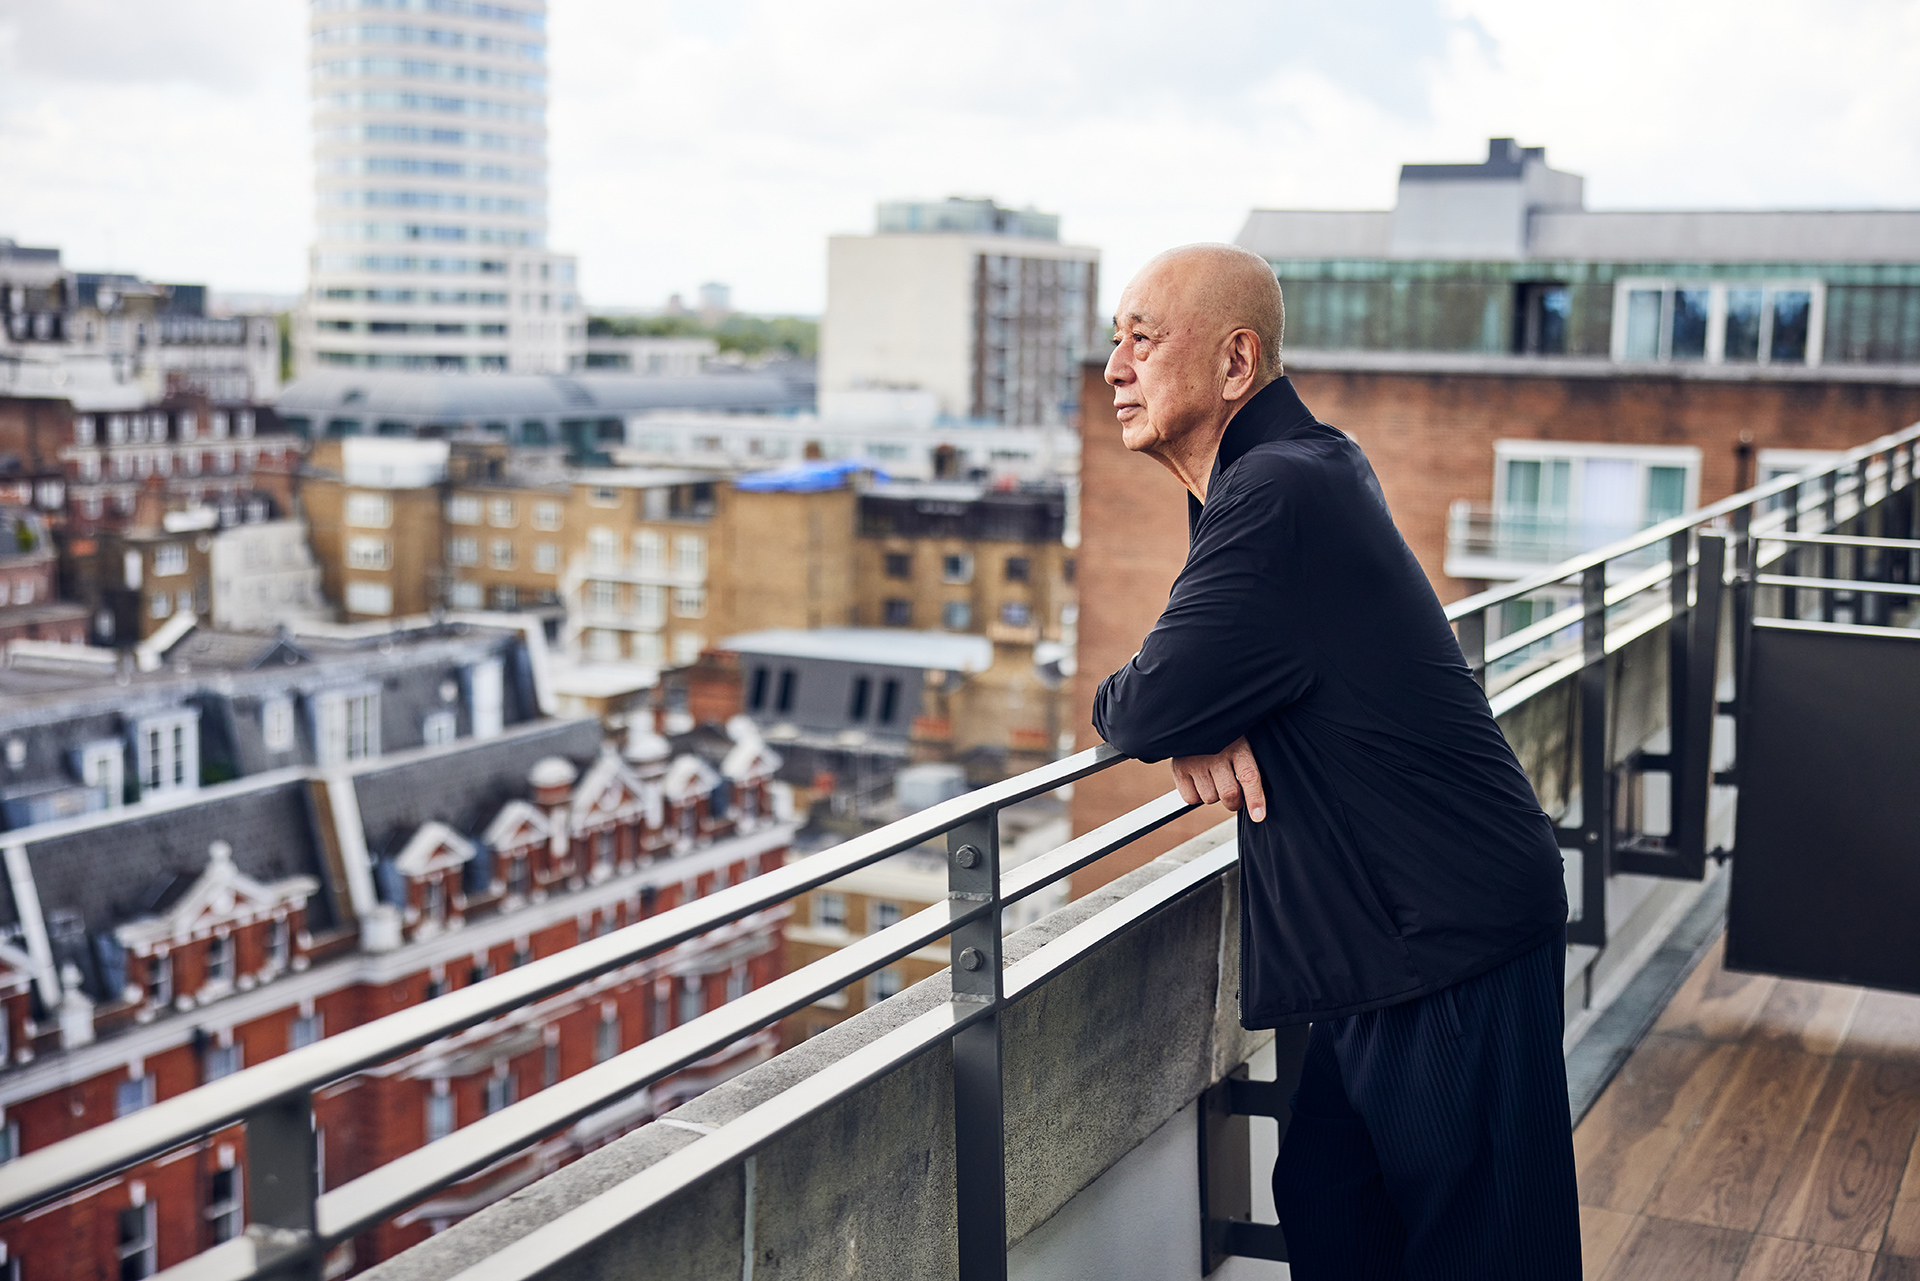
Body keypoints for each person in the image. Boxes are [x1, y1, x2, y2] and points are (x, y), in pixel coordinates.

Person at [1090, 244, 1579, 1279]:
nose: (1114, 369)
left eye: (1143, 338)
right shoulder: (1274, 477)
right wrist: (1198, 710)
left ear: (1236, 363)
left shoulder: (1280, 490)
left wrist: (1180, 711)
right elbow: (1197, 682)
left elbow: (1139, 706)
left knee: (1483, 1256)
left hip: (1452, 942)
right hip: (1373, 948)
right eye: (1112, 341)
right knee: (1328, 1211)